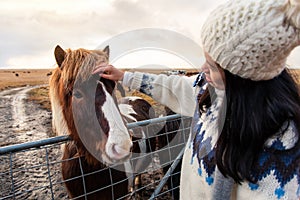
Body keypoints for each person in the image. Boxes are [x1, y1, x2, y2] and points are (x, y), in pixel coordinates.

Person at [93, 0, 300, 199]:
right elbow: (176, 87)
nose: (202, 69)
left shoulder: (279, 153)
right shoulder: (210, 90)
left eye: (211, 65)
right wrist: (125, 76)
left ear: (240, 76)